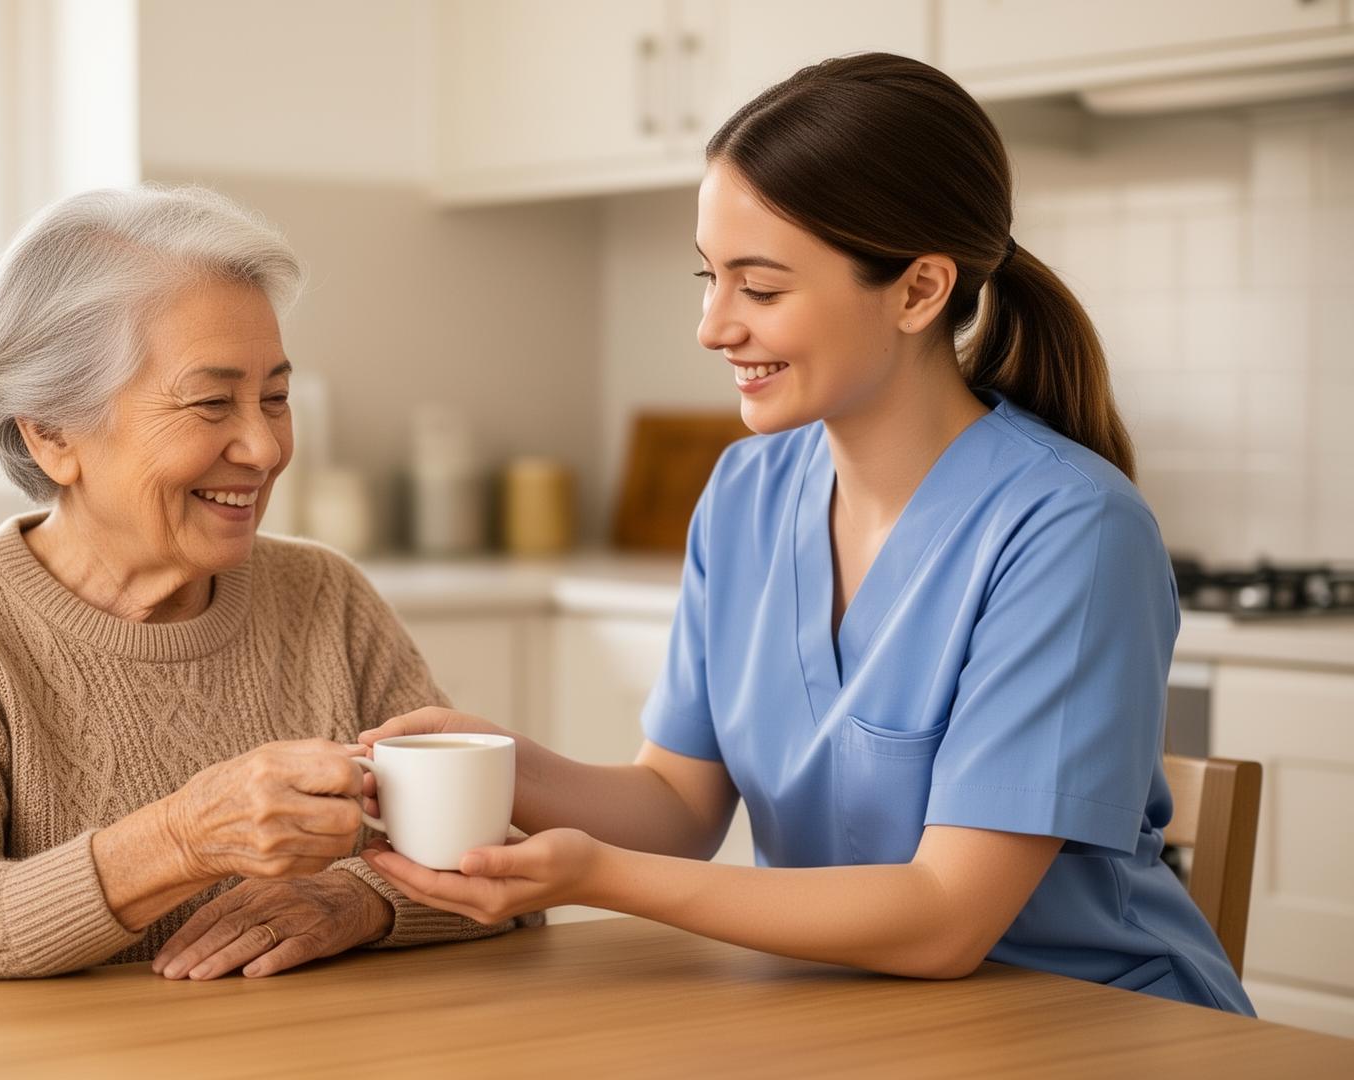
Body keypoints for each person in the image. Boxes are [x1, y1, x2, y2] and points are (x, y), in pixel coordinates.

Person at [357, 53, 1253, 1014]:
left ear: (918, 292)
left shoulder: (1070, 531)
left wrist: (594, 878)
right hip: (853, 1017)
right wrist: (504, 765)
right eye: (709, 277)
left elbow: (947, 919)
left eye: (762, 288)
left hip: (1089, 1027)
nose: (712, 326)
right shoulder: (748, 491)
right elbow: (678, 805)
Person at [0, 186, 533, 990]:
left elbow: (504, 872)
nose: (265, 447)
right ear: (52, 433)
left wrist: (355, 902)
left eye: (276, 397)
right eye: (211, 403)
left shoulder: (325, 598)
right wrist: (180, 841)